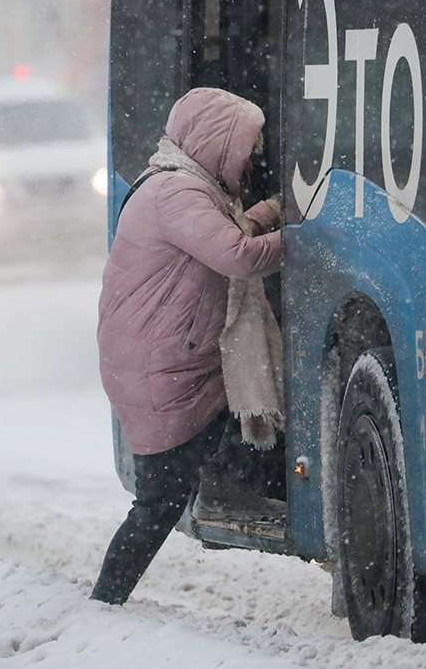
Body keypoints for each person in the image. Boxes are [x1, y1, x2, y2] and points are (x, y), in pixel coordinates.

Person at [91, 87, 285, 605]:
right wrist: (310, 235)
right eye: (246, 148)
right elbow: (239, 254)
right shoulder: (175, 193)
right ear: (216, 142)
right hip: (157, 366)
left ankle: (229, 485)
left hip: (158, 357)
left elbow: (227, 230)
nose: (251, 161)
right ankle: (103, 605)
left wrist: (272, 211)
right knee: (158, 499)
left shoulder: (186, 185)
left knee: (166, 491)